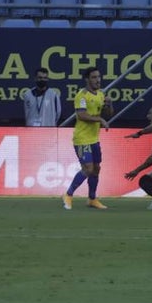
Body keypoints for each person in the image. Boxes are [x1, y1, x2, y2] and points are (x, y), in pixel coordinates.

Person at [62, 68, 113, 210]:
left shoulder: (101, 95)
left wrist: (109, 104)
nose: (98, 80)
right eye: (94, 77)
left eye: (99, 77)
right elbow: (82, 115)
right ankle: (68, 194)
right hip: (82, 138)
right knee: (88, 168)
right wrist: (100, 120)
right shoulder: (82, 95)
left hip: (94, 138)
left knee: (96, 168)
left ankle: (92, 199)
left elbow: (108, 115)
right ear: (87, 80)